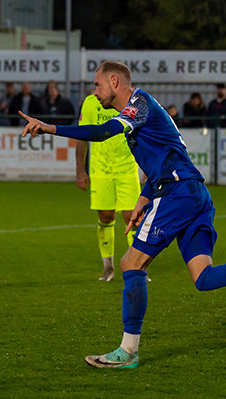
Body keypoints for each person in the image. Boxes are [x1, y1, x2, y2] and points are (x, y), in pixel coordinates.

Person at [19, 60, 226, 369]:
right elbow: (166, 155)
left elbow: (103, 131)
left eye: (97, 85)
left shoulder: (138, 104)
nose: (95, 92)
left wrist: (50, 127)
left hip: (177, 193)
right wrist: (143, 197)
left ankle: (128, 352)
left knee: (130, 263)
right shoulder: (143, 109)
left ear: (114, 81)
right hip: (194, 193)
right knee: (203, 277)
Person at [76, 93, 145, 282]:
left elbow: (143, 133)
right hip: (100, 170)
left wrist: (147, 166)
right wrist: (80, 171)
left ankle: (136, 268)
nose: (98, 87)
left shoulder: (132, 102)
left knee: (133, 218)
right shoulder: (90, 103)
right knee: (105, 217)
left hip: (127, 170)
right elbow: (82, 136)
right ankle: (108, 268)